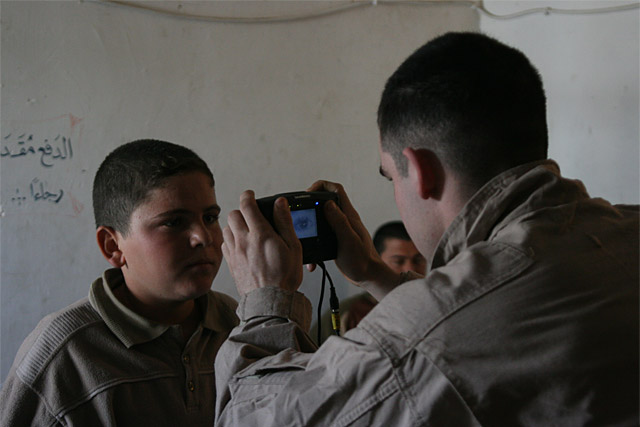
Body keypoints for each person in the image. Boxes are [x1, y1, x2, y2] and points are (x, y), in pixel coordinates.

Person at [216, 32, 639, 425]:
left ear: (419, 172)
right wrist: (373, 272)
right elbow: (483, 312)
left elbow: (254, 418)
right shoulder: (624, 228)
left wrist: (265, 304)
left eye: (389, 176)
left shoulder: (426, 334)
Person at [0, 139, 239, 426]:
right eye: (174, 222)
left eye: (210, 217)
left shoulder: (236, 324)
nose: (203, 237)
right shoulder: (64, 355)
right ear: (113, 246)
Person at [311, 221, 426, 343]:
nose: (410, 269)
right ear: (378, 260)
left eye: (418, 260)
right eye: (398, 261)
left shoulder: (437, 303)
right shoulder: (349, 313)